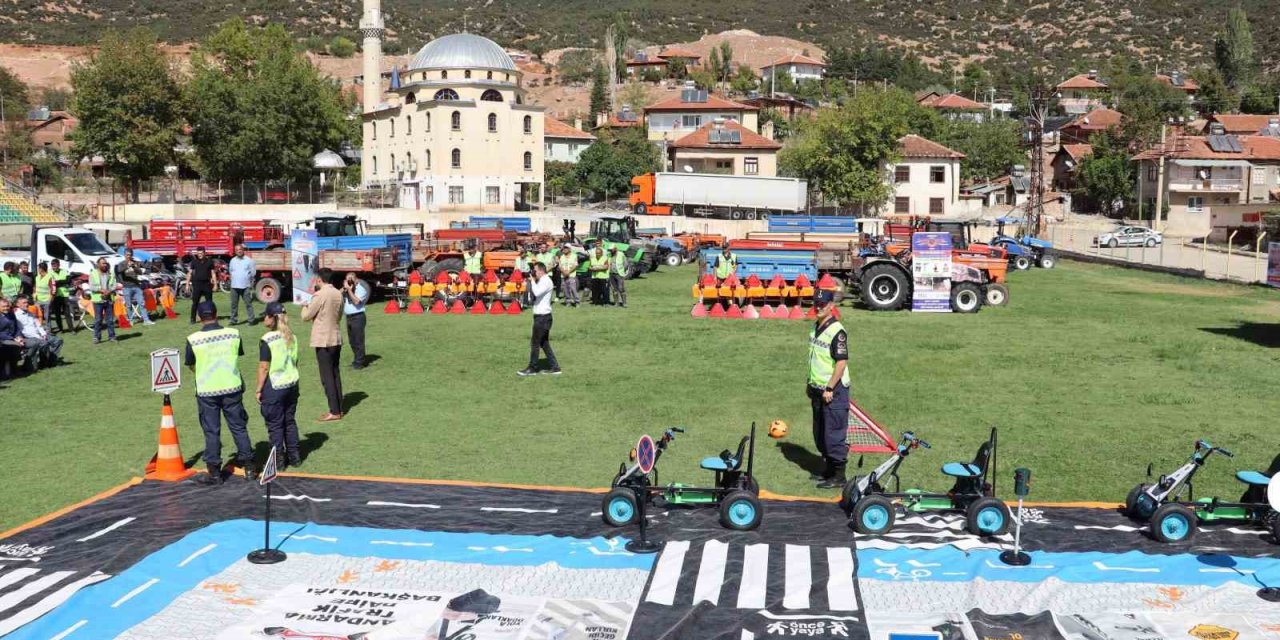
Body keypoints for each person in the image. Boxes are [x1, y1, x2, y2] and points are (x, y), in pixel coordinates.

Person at [186, 300, 254, 485]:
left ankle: (215, 473)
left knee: (212, 431)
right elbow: (236, 355)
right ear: (216, 314)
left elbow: (191, 365)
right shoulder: (234, 334)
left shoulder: (193, 340)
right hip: (232, 387)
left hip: (207, 391)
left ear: (200, 317)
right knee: (239, 427)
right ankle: (249, 466)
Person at [806, 290, 850, 489]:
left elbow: (841, 363)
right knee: (820, 433)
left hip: (833, 391)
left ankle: (839, 476)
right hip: (817, 389)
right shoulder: (817, 326)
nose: (818, 307)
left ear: (832, 306)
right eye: (816, 303)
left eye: (822, 304)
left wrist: (830, 387)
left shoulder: (837, 331)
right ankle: (829, 470)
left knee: (833, 434)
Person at [257, 302, 302, 469]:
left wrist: (258, 389)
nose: (264, 318)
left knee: (275, 425)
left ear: (272, 318)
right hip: (292, 384)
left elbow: (264, 367)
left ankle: (279, 461)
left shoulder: (267, 339)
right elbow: (296, 361)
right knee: (289, 421)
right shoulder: (292, 336)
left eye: (265, 315)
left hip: (275, 386)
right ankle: (295, 457)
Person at [301, 268, 345, 421]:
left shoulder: (319, 294)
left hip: (323, 339)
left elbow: (306, 316)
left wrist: (304, 305)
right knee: (335, 373)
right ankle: (339, 407)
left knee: (327, 377)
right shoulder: (338, 293)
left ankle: (334, 411)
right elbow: (339, 315)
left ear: (320, 279)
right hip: (336, 336)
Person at [518, 261, 560, 376]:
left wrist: (532, 280)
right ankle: (555, 367)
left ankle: (532, 368)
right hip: (542, 316)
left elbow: (536, 292)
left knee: (535, 343)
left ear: (541, 270)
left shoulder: (546, 281)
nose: (533, 272)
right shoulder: (542, 280)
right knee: (544, 343)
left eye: (535, 270)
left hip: (543, 317)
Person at [13, 294, 62, 370]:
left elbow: (38, 325)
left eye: (27, 302)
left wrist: (43, 334)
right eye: (24, 303)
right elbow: (24, 331)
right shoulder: (16, 316)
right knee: (44, 343)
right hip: (29, 337)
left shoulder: (30, 313)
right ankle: (43, 364)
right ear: (17, 304)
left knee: (58, 341)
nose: (27, 304)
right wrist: (39, 337)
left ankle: (51, 362)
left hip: (39, 335)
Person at [116, 249, 155, 326]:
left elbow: (140, 272)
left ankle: (146, 320)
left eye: (130, 255)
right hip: (127, 287)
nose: (129, 256)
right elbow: (119, 271)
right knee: (128, 305)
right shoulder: (121, 264)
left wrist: (134, 267)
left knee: (142, 303)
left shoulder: (135, 262)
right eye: (127, 255)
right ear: (124, 255)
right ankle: (131, 320)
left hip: (136, 286)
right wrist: (127, 265)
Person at [342, 273, 369, 369]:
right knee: (352, 341)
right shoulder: (347, 289)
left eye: (351, 279)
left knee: (358, 341)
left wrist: (349, 290)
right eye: (347, 279)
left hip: (358, 317)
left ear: (356, 279)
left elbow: (356, 301)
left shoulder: (361, 289)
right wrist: (344, 288)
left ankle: (360, 362)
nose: (349, 281)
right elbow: (337, 294)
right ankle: (357, 359)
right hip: (349, 317)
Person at [227, 244, 256, 326]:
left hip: (245, 286)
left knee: (248, 304)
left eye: (240, 249)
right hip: (234, 286)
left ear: (243, 250)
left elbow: (253, 273)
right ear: (235, 251)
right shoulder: (232, 260)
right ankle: (233, 320)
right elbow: (231, 271)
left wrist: (250, 283)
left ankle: (251, 320)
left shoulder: (249, 260)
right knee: (233, 305)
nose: (239, 251)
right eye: (237, 250)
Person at [89, 257, 117, 343]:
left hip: (109, 299)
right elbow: (92, 287)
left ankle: (111, 337)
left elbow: (114, 285)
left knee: (110, 320)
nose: (104, 265)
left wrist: (109, 291)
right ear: (98, 264)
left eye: (105, 263)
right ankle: (97, 338)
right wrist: (101, 291)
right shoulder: (93, 273)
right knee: (98, 320)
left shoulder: (111, 273)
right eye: (102, 263)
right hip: (98, 300)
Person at [186, 246, 216, 324]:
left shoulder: (210, 261)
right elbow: (189, 273)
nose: (200, 255)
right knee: (195, 302)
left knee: (209, 302)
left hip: (207, 284)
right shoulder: (194, 262)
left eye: (201, 253)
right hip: (197, 284)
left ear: (204, 253)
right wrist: (187, 285)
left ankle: (211, 318)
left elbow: (213, 273)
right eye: (198, 253)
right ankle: (192, 319)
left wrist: (215, 284)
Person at [48, 259, 73, 334]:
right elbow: (51, 283)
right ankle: (61, 329)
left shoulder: (65, 271)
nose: (54, 266)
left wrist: (58, 282)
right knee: (57, 313)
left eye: (55, 264)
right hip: (55, 295)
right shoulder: (49, 272)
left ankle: (71, 329)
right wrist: (62, 282)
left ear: (59, 265)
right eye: (52, 265)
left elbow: (68, 281)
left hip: (65, 295)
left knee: (67, 313)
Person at [0, 298, 22, 380]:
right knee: (15, 347)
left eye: (7, 306)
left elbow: (17, 327)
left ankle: (14, 369)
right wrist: (13, 339)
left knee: (18, 345)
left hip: (14, 337)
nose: (6, 308)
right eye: (3, 307)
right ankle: (13, 370)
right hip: (3, 339)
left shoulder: (11, 314)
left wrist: (19, 336)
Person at [33, 262, 54, 329]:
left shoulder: (50, 277)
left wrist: (50, 300)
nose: (38, 269)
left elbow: (53, 289)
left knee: (47, 316)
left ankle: (48, 330)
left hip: (46, 300)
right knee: (38, 316)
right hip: (38, 300)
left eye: (38, 268)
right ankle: (39, 329)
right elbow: (35, 287)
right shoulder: (37, 277)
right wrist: (34, 295)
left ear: (42, 269)